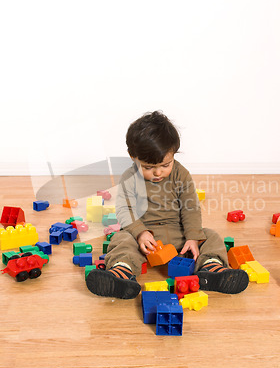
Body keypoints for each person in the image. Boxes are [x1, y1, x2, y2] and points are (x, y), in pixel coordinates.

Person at [86, 111, 249, 299]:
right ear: (133, 156)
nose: (158, 172)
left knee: (211, 236)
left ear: (173, 153)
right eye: (148, 167)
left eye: (165, 165)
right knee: (121, 239)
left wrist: (193, 238)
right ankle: (121, 273)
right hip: (145, 238)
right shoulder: (129, 178)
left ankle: (210, 268)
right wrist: (140, 233)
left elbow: (191, 207)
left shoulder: (181, 174)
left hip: (178, 234)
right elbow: (125, 210)